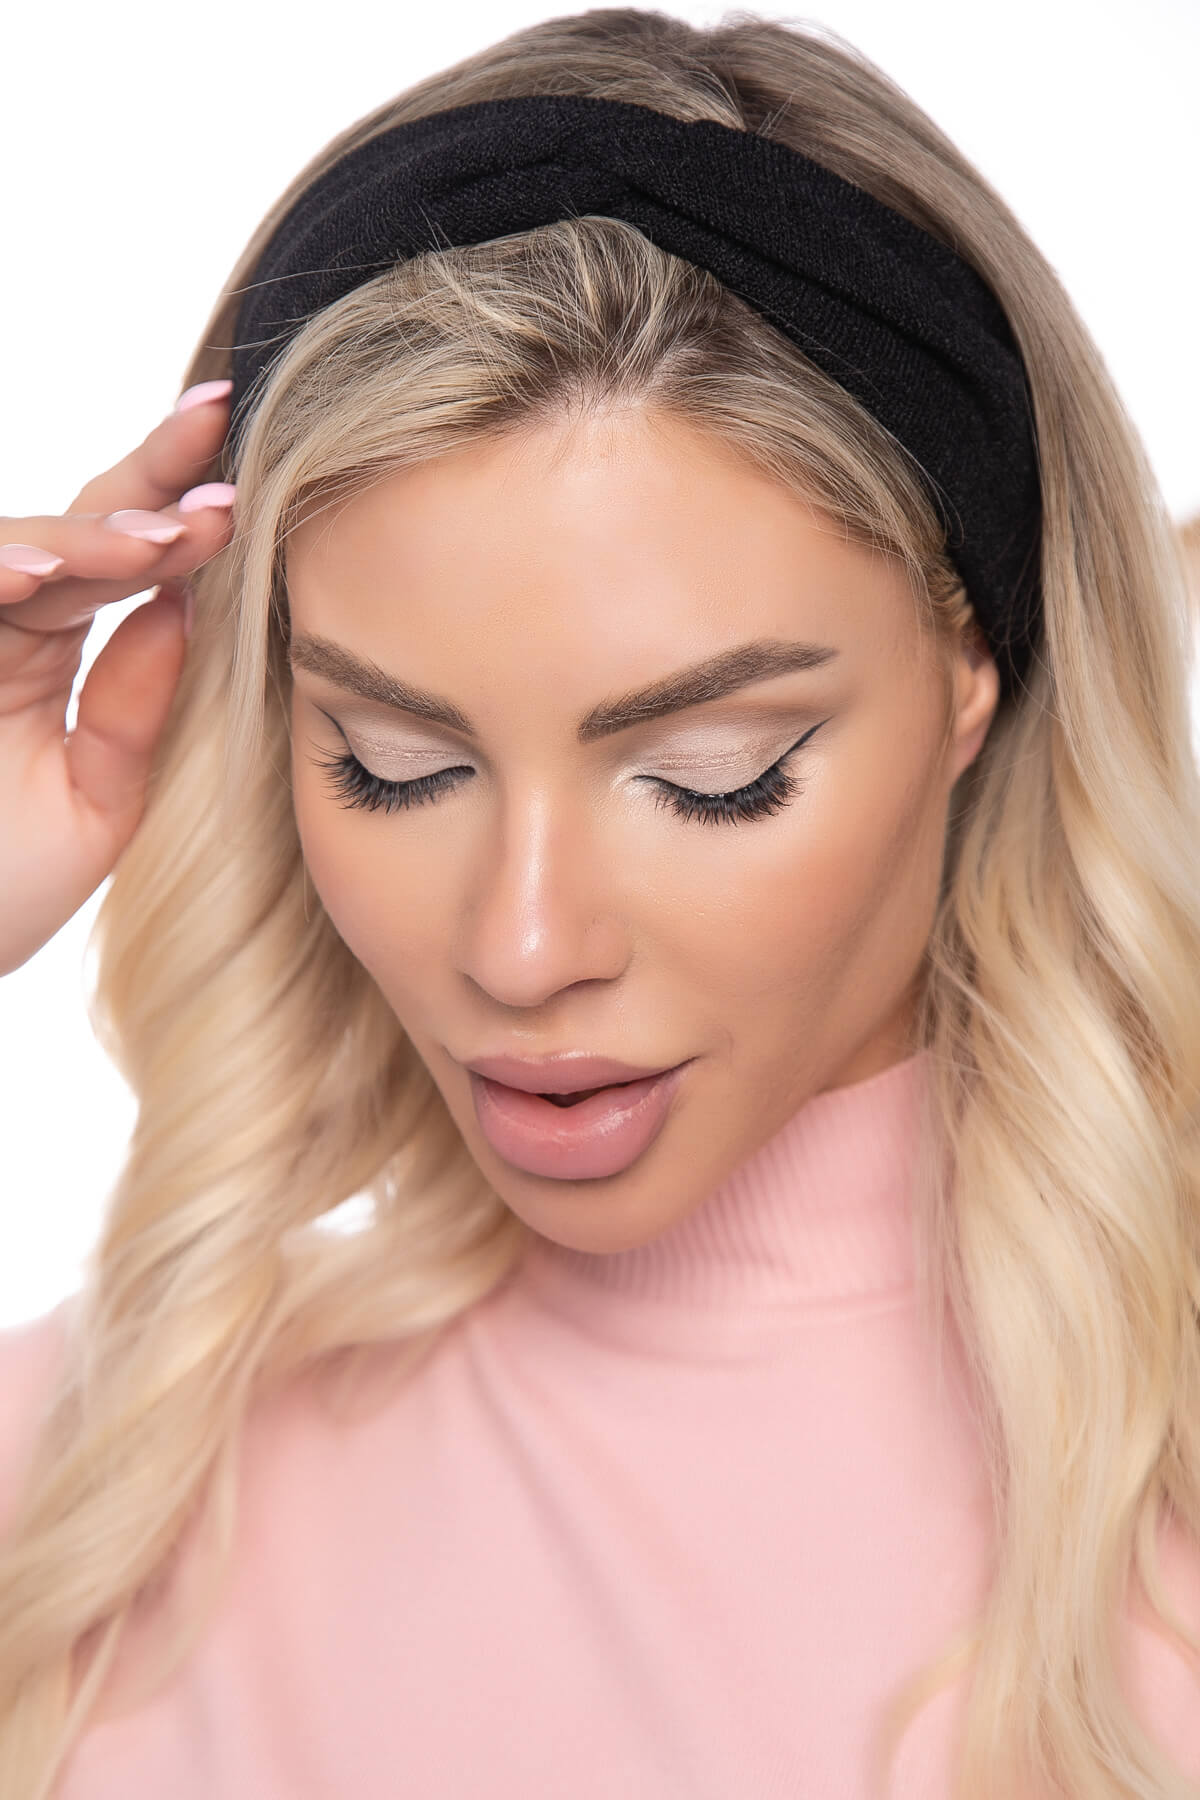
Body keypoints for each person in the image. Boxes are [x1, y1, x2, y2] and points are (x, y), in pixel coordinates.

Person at [2, 9, 1199, 1798]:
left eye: (714, 774)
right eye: (394, 765)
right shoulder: (93, 1487)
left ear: (973, 675)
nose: (523, 947)